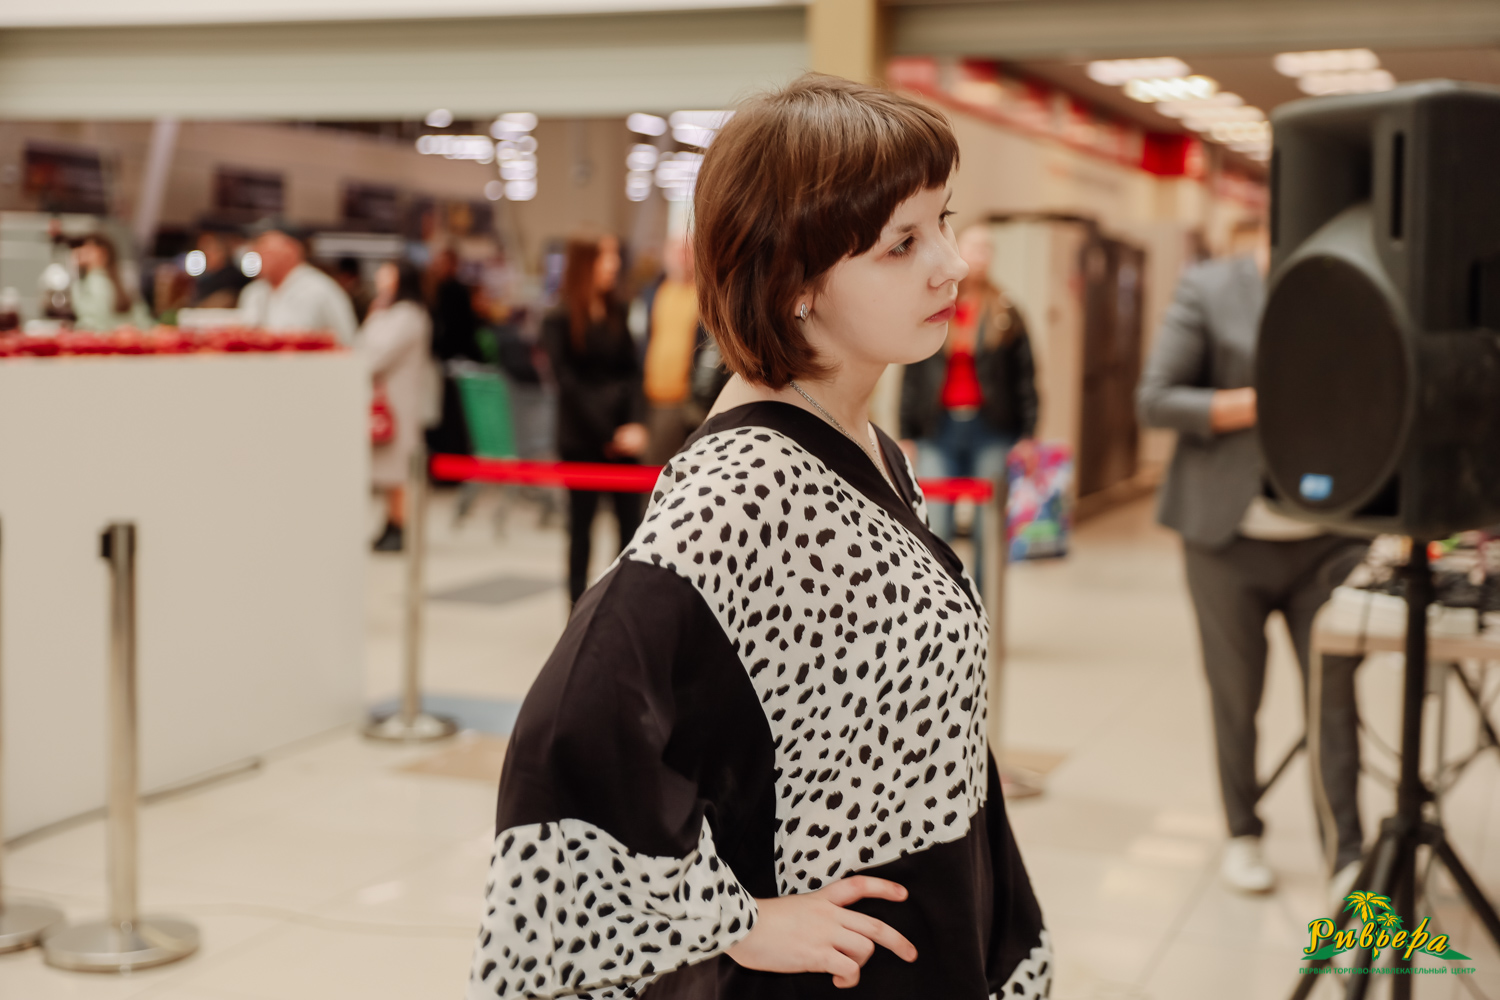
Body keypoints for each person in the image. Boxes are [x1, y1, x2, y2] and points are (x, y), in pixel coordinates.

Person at [468, 74, 1050, 1000]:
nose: (949, 263)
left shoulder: (867, 446)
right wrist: (733, 921)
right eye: (903, 243)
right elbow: (574, 740)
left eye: (943, 221)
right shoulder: (744, 491)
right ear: (794, 283)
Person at [1137, 216, 1366, 897]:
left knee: (1334, 702)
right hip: (1226, 539)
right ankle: (1244, 833)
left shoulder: (1346, 292)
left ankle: (1347, 855)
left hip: (1328, 540)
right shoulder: (1209, 290)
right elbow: (1157, 400)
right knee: (1237, 699)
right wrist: (1264, 406)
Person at [899, 224, 1038, 595]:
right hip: (938, 429)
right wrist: (906, 434)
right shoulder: (933, 303)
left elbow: (1025, 378)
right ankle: (940, 606)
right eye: (974, 247)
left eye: (987, 249)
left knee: (986, 531)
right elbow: (913, 374)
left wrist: (1028, 434)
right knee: (935, 526)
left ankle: (984, 610)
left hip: (991, 430)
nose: (980, 256)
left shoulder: (1006, 311)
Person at [540, 234, 648, 606]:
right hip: (582, 439)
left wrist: (635, 425)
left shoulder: (619, 309)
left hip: (623, 439)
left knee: (631, 530)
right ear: (586, 262)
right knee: (580, 532)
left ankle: (620, 608)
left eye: (615, 256)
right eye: (606, 256)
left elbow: (632, 373)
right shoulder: (558, 318)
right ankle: (576, 613)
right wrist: (608, 433)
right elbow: (569, 384)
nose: (613, 264)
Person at [361, 260, 434, 552]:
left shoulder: (409, 314)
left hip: (399, 400)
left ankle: (401, 523)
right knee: (387, 468)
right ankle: (391, 521)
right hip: (383, 398)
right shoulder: (387, 311)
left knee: (400, 468)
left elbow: (377, 354)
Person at [639, 234, 716, 464]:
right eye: (677, 251)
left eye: (688, 251)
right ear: (666, 255)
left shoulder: (706, 296)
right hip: (652, 397)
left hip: (686, 399)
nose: (682, 257)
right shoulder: (652, 293)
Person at [237, 228, 358, 343]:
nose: (260, 258)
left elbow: (346, 338)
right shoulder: (253, 292)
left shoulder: (320, 289)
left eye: (266, 252)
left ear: (291, 251)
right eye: (257, 252)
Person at [70, 234, 152, 331]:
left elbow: (89, 319)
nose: (82, 252)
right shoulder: (117, 278)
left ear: (103, 254)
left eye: (89, 249)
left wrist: (73, 269)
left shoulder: (96, 280)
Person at [190, 229, 249, 308]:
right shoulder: (205, 278)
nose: (204, 255)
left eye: (207, 249)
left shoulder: (232, 279)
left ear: (221, 251)